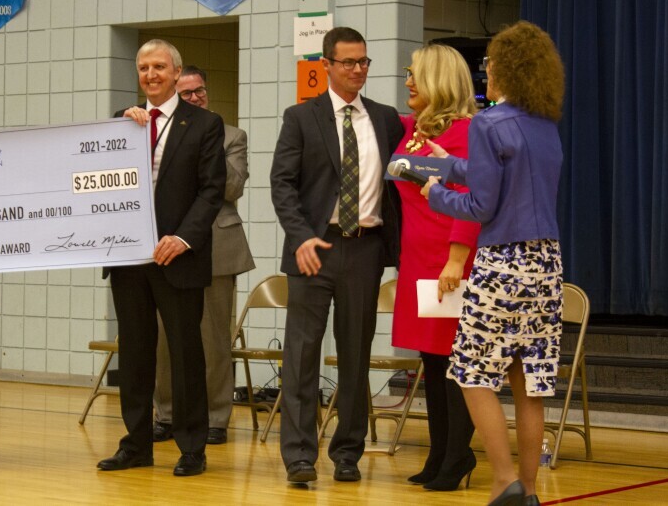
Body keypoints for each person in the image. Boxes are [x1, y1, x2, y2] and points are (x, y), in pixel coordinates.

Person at [420, 21, 565, 506]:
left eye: (490, 65)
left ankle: (503, 480)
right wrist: (446, 164)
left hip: (503, 261)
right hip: (546, 264)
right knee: (528, 381)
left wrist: (435, 193)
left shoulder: (487, 123)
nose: (487, 73)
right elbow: (503, 178)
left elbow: (481, 206)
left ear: (503, 68)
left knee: (469, 373)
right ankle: (530, 489)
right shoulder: (544, 125)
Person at [270, 27, 404, 484]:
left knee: (354, 356)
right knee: (302, 356)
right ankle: (299, 457)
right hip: (314, 247)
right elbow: (282, 183)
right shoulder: (301, 116)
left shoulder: (385, 119)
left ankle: (348, 451)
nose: (358, 70)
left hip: (365, 248)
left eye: (364, 61)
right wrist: (301, 236)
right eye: (348, 62)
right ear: (325, 65)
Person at [97, 40, 226, 477]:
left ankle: (192, 447)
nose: (150, 74)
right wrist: (122, 127)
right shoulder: (121, 123)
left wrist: (184, 238)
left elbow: (212, 191)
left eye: (159, 67)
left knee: (186, 352)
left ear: (175, 73)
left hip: (178, 257)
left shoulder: (206, 124)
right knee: (134, 352)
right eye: (143, 68)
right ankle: (135, 444)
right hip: (129, 257)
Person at [390, 44, 480, 491]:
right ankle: (438, 453)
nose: (408, 80)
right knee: (431, 361)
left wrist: (456, 258)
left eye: (416, 73)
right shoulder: (410, 129)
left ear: (439, 80)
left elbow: (473, 201)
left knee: (454, 364)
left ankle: (458, 456)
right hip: (416, 260)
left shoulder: (468, 132)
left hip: (450, 261)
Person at [153, 66, 255, 445]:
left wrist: (201, 147)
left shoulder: (231, 136)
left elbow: (231, 187)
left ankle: (215, 417)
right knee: (166, 337)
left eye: (200, 91)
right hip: (168, 247)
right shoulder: (159, 133)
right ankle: (165, 413)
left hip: (217, 247)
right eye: (187, 93)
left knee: (212, 338)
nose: (195, 98)